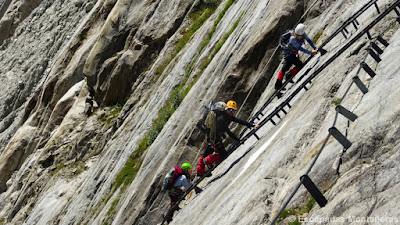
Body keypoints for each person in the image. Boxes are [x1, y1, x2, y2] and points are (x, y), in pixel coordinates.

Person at [196, 100, 260, 176]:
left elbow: (239, 121)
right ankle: (208, 161)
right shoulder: (222, 118)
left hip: (212, 138)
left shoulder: (227, 116)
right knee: (222, 155)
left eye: (233, 110)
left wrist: (252, 125)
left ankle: (200, 171)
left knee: (206, 154)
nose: (231, 112)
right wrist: (238, 140)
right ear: (226, 109)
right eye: (230, 109)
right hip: (214, 139)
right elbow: (228, 132)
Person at [275, 23, 318, 90]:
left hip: (289, 53)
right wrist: (311, 53)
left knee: (285, 68)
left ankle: (278, 85)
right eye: (296, 34)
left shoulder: (302, 34)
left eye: (298, 35)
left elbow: (308, 40)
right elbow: (300, 48)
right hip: (289, 54)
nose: (297, 36)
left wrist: (315, 48)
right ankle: (288, 76)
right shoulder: (292, 39)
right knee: (299, 65)